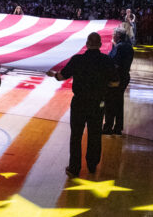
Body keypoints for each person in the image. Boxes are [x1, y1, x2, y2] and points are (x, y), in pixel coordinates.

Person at [54, 32, 118, 177]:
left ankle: (74, 168)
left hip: (79, 102)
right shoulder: (106, 61)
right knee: (95, 134)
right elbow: (115, 82)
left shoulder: (77, 60)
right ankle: (92, 165)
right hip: (97, 103)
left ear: (87, 44)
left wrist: (54, 75)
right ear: (100, 45)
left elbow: (61, 76)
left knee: (76, 135)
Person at [104, 28, 133, 135]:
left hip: (116, 78)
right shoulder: (128, 46)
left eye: (114, 34)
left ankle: (108, 127)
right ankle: (118, 127)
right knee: (119, 102)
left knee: (110, 103)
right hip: (124, 76)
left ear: (118, 36)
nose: (112, 36)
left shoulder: (119, 47)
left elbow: (114, 64)